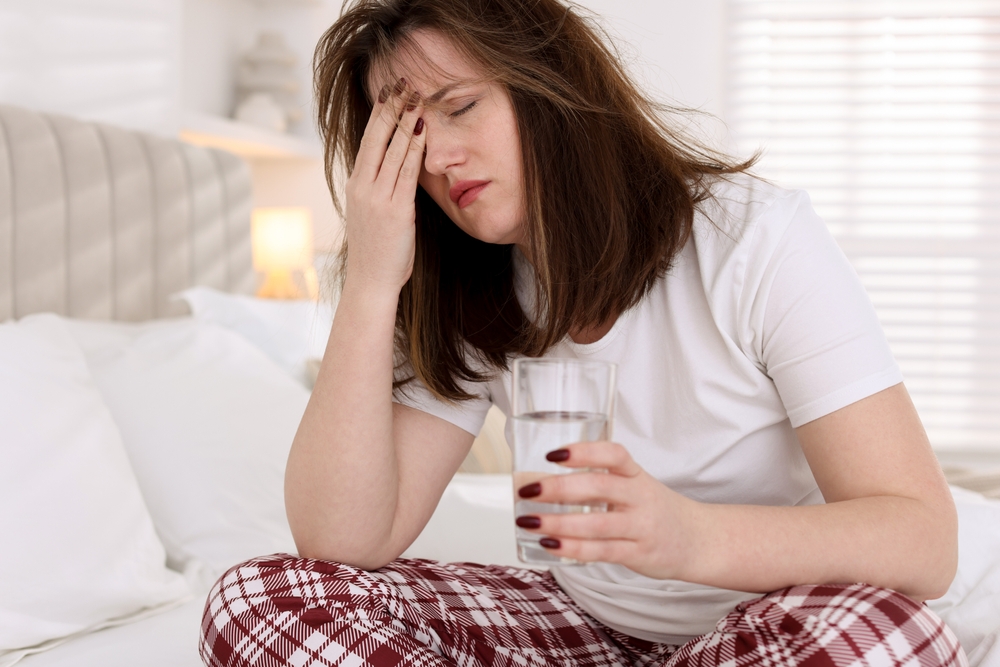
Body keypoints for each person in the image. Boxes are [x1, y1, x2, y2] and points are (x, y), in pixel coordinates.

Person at [199, 0, 968, 665]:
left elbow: (923, 538)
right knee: (257, 599)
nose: (437, 157)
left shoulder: (754, 239)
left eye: (460, 106)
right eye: (406, 136)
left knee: (890, 637)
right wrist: (369, 283)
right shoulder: (467, 286)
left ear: (551, 88)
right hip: (586, 628)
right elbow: (344, 542)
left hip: (763, 623)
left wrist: (690, 537)